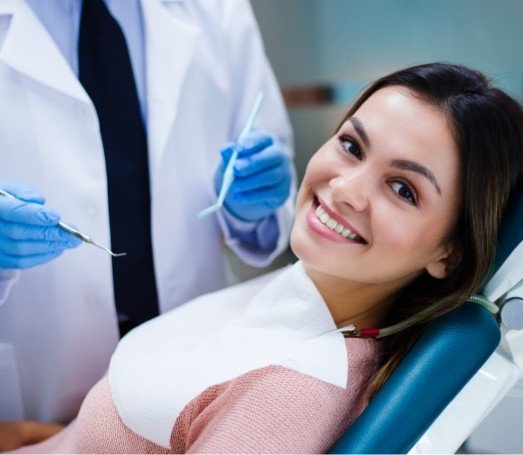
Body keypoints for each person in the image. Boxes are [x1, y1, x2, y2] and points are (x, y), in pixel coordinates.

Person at [3, 62, 523, 453]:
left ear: (449, 256)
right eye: (351, 146)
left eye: (403, 189)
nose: (345, 190)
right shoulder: (300, 297)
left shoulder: (289, 393)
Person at [0, 0, 294, 426]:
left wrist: (251, 207)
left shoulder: (218, 10)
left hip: (192, 362)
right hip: (35, 391)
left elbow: (267, 144)